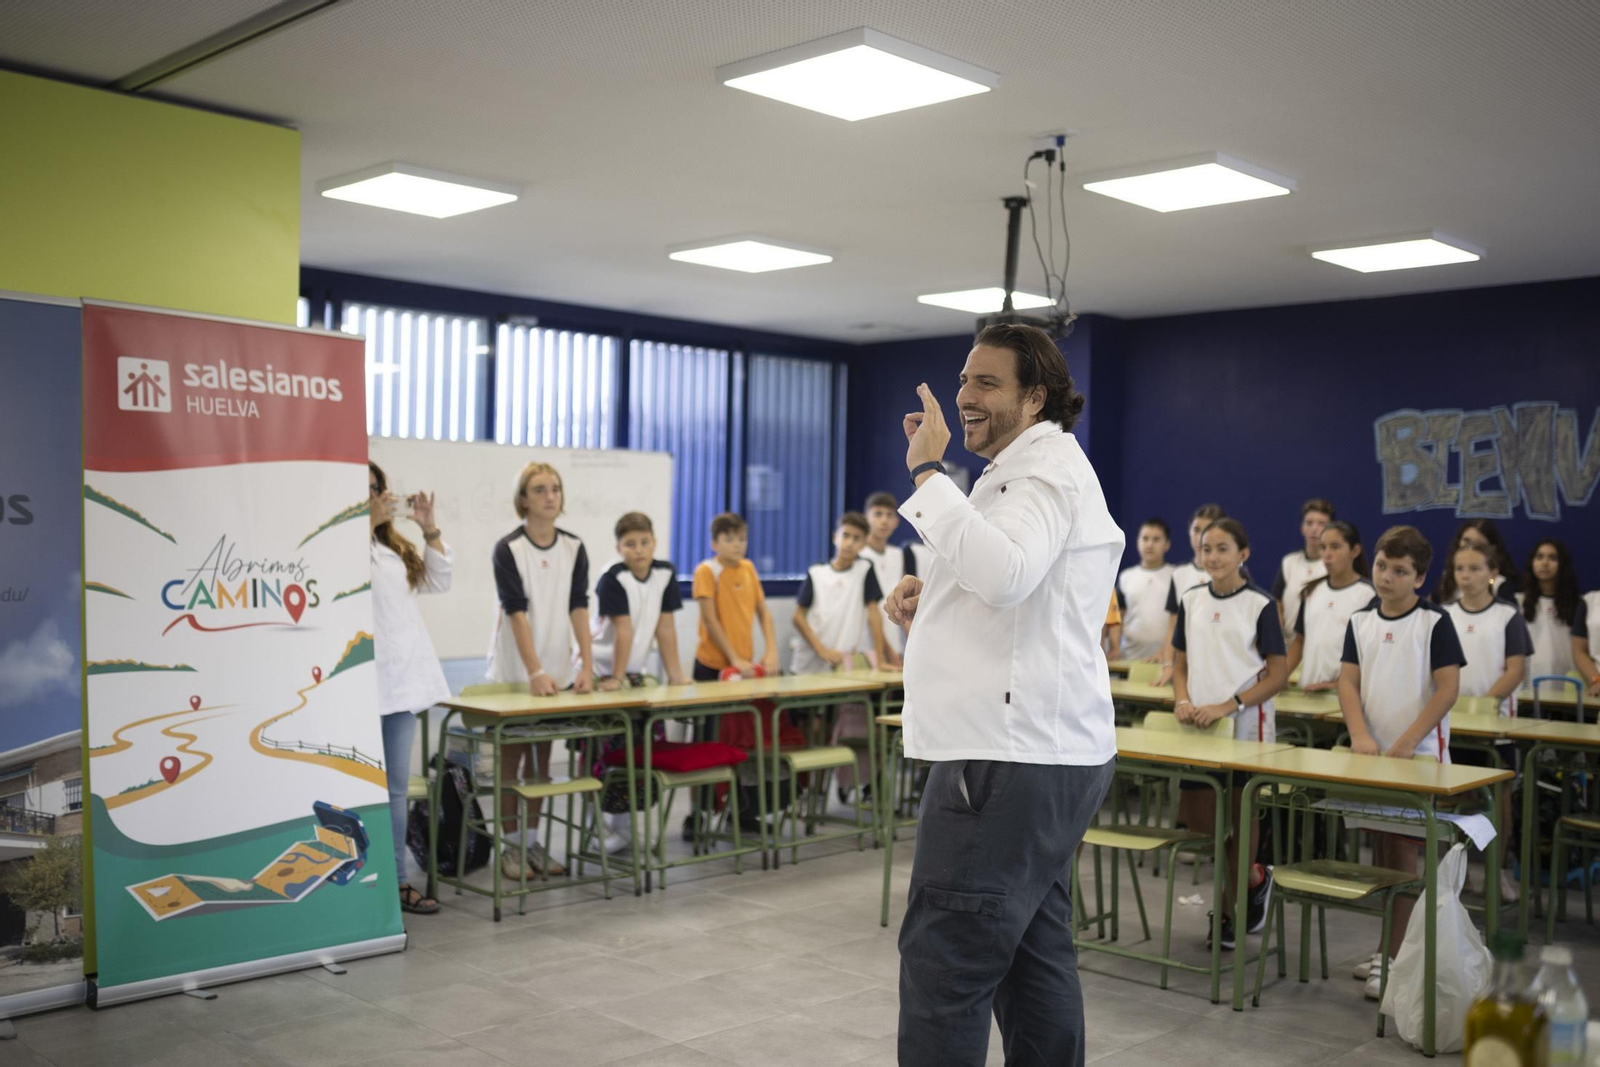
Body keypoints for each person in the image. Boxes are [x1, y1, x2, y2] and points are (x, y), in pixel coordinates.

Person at [885, 323, 1121, 1067]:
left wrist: (929, 477)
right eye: (964, 379)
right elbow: (1014, 589)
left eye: (987, 382)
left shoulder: (1040, 469)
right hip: (1035, 752)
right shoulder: (1020, 470)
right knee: (1031, 954)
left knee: (946, 962)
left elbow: (1009, 572)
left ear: (1036, 396)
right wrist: (939, 595)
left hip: (1004, 758)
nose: (964, 396)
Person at [1338, 525, 1466, 999]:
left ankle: (1395, 960)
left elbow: (1447, 688)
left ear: (1420, 577)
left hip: (1420, 760)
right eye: (1381, 566)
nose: (1386, 577)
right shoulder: (1359, 621)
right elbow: (1348, 683)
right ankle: (1387, 949)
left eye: (1399, 571)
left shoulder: (1435, 623)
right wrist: (1359, 734)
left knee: (1406, 859)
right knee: (1384, 856)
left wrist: (1411, 741)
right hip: (1372, 757)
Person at [1171, 517, 1287, 950]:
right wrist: (1182, 699)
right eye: (1206, 549)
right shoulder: (1191, 598)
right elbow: (1180, 661)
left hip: (1245, 729)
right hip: (1198, 731)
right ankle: (1255, 879)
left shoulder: (1260, 604)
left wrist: (1230, 705)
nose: (1213, 557)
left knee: (1241, 823)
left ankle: (1226, 912)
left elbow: (1278, 674)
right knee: (1205, 827)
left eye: (1223, 548)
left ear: (1244, 554)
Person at [486, 462, 594, 880]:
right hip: (518, 672)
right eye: (540, 489)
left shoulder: (574, 546)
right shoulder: (508, 548)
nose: (550, 496)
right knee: (510, 764)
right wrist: (534, 671)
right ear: (523, 500)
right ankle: (511, 848)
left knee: (541, 765)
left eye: (555, 489)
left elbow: (579, 606)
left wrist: (585, 663)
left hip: (559, 672)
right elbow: (516, 612)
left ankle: (531, 844)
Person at [368, 462, 447, 916]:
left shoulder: (395, 549)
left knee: (395, 789)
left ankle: (397, 883)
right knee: (357, 789)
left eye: (377, 488)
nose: (377, 497)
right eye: (366, 491)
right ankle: (361, 882)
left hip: (397, 689)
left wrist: (430, 530)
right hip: (353, 689)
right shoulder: (337, 549)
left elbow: (439, 581)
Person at [591, 511, 688, 690]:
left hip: (631, 669)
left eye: (645, 542)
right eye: (630, 544)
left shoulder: (665, 574)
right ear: (618, 548)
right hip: (597, 668)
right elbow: (623, 629)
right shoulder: (613, 577)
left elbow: (665, 628)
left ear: (654, 543)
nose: (639, 550)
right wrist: (617, 679)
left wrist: (676, 676)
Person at [1285, 520, 1372, 690]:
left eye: (1335, 547)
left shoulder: (1368, 595)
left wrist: (1336, 684)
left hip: (1346, 697)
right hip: (1308, 692)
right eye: (1323, 547)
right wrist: (1280, 676)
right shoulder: (1311, 590)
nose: (1327, 554)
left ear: (1355, 551)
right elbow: (1299, 641)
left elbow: (1370, 656)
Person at [691, 513, 778, 682]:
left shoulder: (748, 568)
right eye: (729, 540)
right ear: (714, 544)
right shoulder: (707, 570)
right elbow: (709, 620)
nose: (737, 545)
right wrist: (733, 658)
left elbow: (763, 612)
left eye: (742, 539)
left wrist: (772, 651)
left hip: (744, 663)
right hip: (713, 664)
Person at [1445, 542, 1531, 712]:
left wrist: (1483, 706)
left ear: (1493, 573)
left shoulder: (1508, 615)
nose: (1465, 575)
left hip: (1495, 714)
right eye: (1459, 568)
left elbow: (1516, 670)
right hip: (1449, 714)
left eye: (1475, 569)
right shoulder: (1444, 614)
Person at [1155, 503, 1226, 685]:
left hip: (1220, 668)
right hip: (1185, 667)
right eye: (1196, 530)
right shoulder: (1180, 575)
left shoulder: (1231, 575)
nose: (1200, 537)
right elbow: (1173, 627)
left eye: (1207, 530)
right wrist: (1169, 665)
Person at [859, 491, 917, 664]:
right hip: (866, 648)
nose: (884, 520)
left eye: (889, 515)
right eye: (878, 514)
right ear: (866, 518)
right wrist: (888, 651)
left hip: (896, 645)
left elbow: (903, 603)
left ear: (896, 521)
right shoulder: (859, 556)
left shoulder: (898, 555)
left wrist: (913, 642)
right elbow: (870, 609)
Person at [1518, 539, 1580, 697]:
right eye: (1539, 557)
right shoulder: (1518, 601)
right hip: (1529, 685)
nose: (1544, 563)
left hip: (1568, 684)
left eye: (1552, 558)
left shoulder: (1578, 603)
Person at [1272, 498, 1334, 640]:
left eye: (1321, 524)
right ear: (1302, 528)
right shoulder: (1289, 562)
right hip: (1288, 644)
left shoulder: (1334, 565)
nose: (1314, 529)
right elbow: (1277, 600)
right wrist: (1278, 622)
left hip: (1318, 644)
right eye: (1309, 523)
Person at [1116, 518, 1175, 661]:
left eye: (1156, 539)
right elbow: (1118, 616)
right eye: (1145, 538)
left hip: (1164, 659)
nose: (1149, 544)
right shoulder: (1126, 576)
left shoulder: (1175, 576)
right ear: (1137, 542)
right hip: (1128, 657)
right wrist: (1115, 647)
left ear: (1167, 544)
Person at [1434, 519, 1523, 603]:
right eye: (1466, 541)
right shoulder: (1447, 576)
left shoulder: (1502, 584)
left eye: (1478, 544)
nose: (1470, 548)